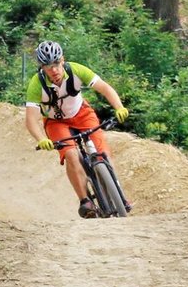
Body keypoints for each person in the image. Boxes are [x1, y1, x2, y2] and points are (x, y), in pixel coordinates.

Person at [25, 40, 130, 218]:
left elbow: (105, 88)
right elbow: (31, 120)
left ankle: (118, 193)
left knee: (102, 151)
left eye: (56, 64)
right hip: (56, 122)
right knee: (72, 155)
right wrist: (41, 139)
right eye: (48, 66)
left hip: (82, 113)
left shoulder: (76, 70)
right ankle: (85, 201)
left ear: (63, 60)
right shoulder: (37, 84)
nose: (54, 70)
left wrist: (119, 107)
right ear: (42, 67)